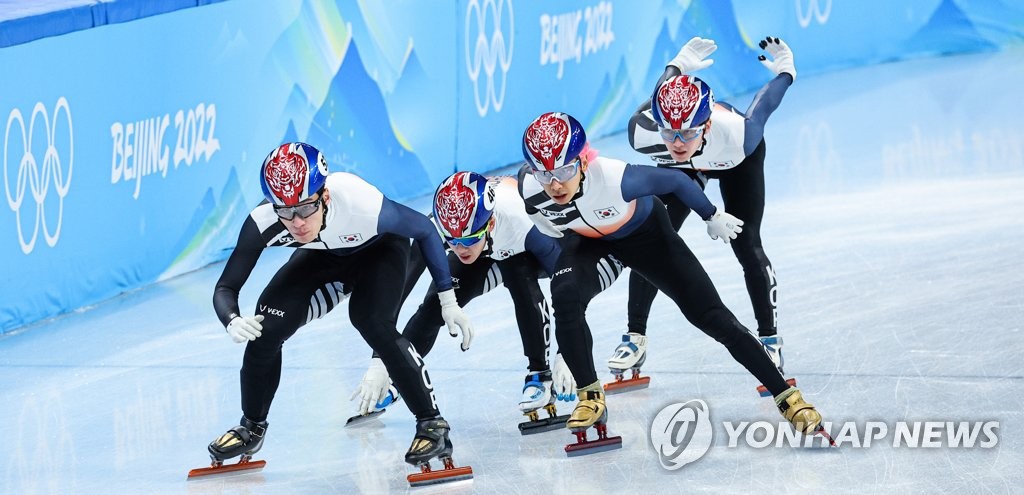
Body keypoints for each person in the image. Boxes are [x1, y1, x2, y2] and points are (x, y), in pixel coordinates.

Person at [517, 111, 826, 447]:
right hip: (590, 244)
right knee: (564, 294)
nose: (555, 184)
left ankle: (787, 396)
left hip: (650, 242)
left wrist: (712, 214)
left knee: (712, 317)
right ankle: (590, 395)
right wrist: (567, 346)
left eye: (563, 170)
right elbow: (549, 225)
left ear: (583, 161)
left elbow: (678, 182)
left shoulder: (617, 179)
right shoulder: (531, 188)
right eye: (544, 173)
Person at [203, 142, 474, 473]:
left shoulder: (360, 203)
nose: (297, 222)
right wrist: (230, 319)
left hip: (380, 253)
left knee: (371, 320)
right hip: (324, 258)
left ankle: (432, 424)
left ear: (325, 197)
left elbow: (425, 230)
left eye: (305, 208)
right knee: (265, 329)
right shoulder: (265, 221)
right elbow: (226, 287)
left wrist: (448, 300)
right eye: (285, 211)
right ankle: (251, 427)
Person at [350, 171, 624, 430]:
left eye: (467, 239)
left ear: (488, 223)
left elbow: (568, 291)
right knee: (433, 308)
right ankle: (399, 379)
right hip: (487, 253)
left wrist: (567, 354)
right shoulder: (438, 226)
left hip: (528, 250)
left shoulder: (517, 218)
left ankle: (539, 374)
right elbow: (399, 289)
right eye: (451, 240)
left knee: (518, 274)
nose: (459, 248)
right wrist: (381, 361)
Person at [613, 36, 797, 395]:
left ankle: (769, 340)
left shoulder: (738, 135)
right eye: (669, 132)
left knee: (747, 245)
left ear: (706, 126)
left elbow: (764, 106)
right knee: (651, 241)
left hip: (734, 163)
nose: (677, 142)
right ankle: (635, 336)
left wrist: (786, 71)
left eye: (687, 133)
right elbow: (661, 98)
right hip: (684, 170)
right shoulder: (645, 133)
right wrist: (677, 65)